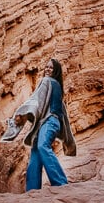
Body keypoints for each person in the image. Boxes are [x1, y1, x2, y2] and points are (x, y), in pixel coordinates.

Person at [7, 58, 77, 191]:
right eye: (46, 67)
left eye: (51, 68)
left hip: (49, 122)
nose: (48, 70)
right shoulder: (57, 86)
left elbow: (35, 101)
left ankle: (61, 184)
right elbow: (61, 113)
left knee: (42, 146)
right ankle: (32, 191)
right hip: (48, 123)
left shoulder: (47, 81)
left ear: (56, 71)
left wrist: (20, 113)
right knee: (35, 154)